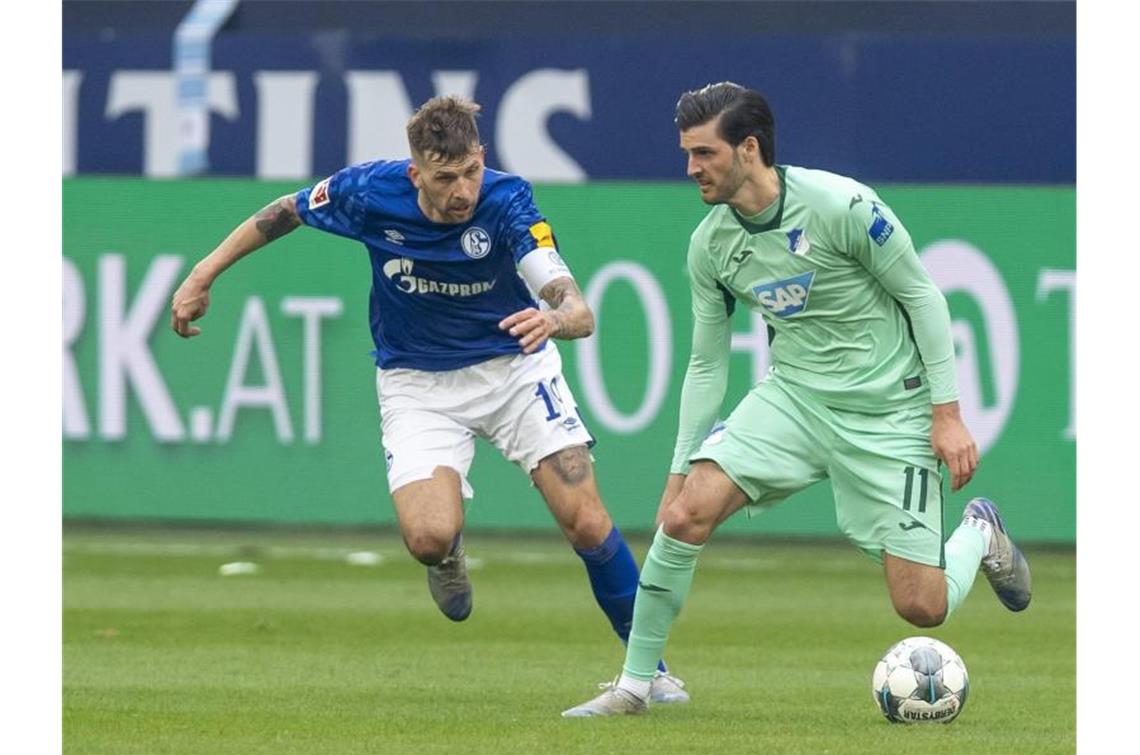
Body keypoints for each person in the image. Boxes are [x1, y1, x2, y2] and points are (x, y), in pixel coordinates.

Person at [169, 95, 688, 704]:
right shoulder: (367, 192)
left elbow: (564, 289)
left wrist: (561, 316)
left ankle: (649, 673)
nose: (463, 189)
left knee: (586, 518)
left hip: (513, 370)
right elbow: (285, 211)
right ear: (416, 173)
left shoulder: (507, 199)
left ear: (482, 157)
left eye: (470, 170)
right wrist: (204, 273)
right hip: (417, 382)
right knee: (428, 538)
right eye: (446, 178)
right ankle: (449, 552)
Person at [561, 82, 1032, 717]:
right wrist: (679, 470)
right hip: (794, 400)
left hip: (889, 413)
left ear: (748, 148)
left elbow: (924, 296)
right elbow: (706, 362)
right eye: (687, 153)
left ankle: (980, 531)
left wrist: (946, 416)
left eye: (703, 153)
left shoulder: (843, 205)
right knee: (683, 516)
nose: (690, 168)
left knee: (923, 605)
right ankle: (637, 684)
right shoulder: (712, 245)